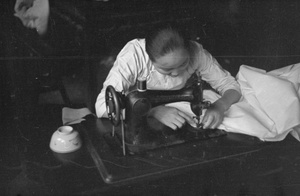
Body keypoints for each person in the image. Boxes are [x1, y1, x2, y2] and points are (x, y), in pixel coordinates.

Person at [95, 24, 241, 130]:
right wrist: (152, 111)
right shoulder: (134, 55)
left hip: (175, 111)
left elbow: (230, 85)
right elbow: (102, 106)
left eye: (184, 64)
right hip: (137, 117)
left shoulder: (196, 52)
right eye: (167, 69)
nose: (176, 73)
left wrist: (219, 106)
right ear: (150, 59)